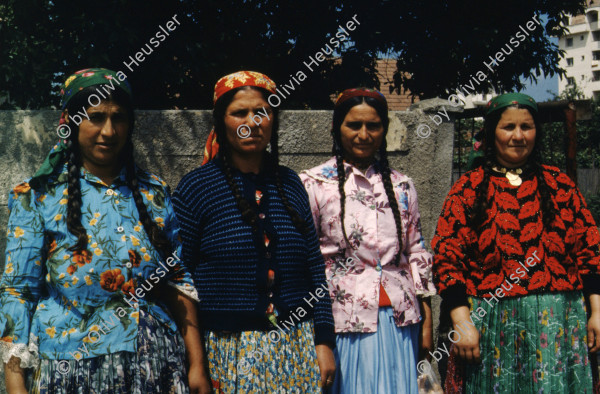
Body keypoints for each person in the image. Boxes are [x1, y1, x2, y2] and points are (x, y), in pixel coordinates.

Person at [0, 68, 211, 393]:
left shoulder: (154, 192)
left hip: (154, 364)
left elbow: (177, 279)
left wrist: (197, 366)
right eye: (95, 117)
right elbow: (18, 293)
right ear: (69, 120)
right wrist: (16, 385)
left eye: (118, 118)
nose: (109, 131)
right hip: (70, 367)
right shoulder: (37, 197)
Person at [172, 71, 336, 393]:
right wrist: (196, 364)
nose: (253, 122)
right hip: (227, 353)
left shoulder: (291, 185)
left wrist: (324, 340)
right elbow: (180, 279)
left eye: (262, 111)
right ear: (221, 121)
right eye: (240, 113)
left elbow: (315, 267)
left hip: (296, 348)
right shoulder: (196, 189)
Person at [432, 92, 600, 393]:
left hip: (559, 326)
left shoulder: (559, 184)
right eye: (508, 127)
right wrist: (462, 319)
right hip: (492, 327)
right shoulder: (468, 189)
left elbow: (589, 248)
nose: (519, 136)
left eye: (527, 127)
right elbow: (447, 257)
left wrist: (598, 311)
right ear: (491, 131)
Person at [299, 87, 436, 393]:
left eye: (373, 126)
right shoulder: (313, 183)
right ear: (337, 128)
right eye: (354, 125)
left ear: (384, 129)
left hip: (400, 322)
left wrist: (427, 321)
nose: (364, 134)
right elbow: (303, 258)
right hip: (342, 321)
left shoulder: (402, 186)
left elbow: (417, 251)